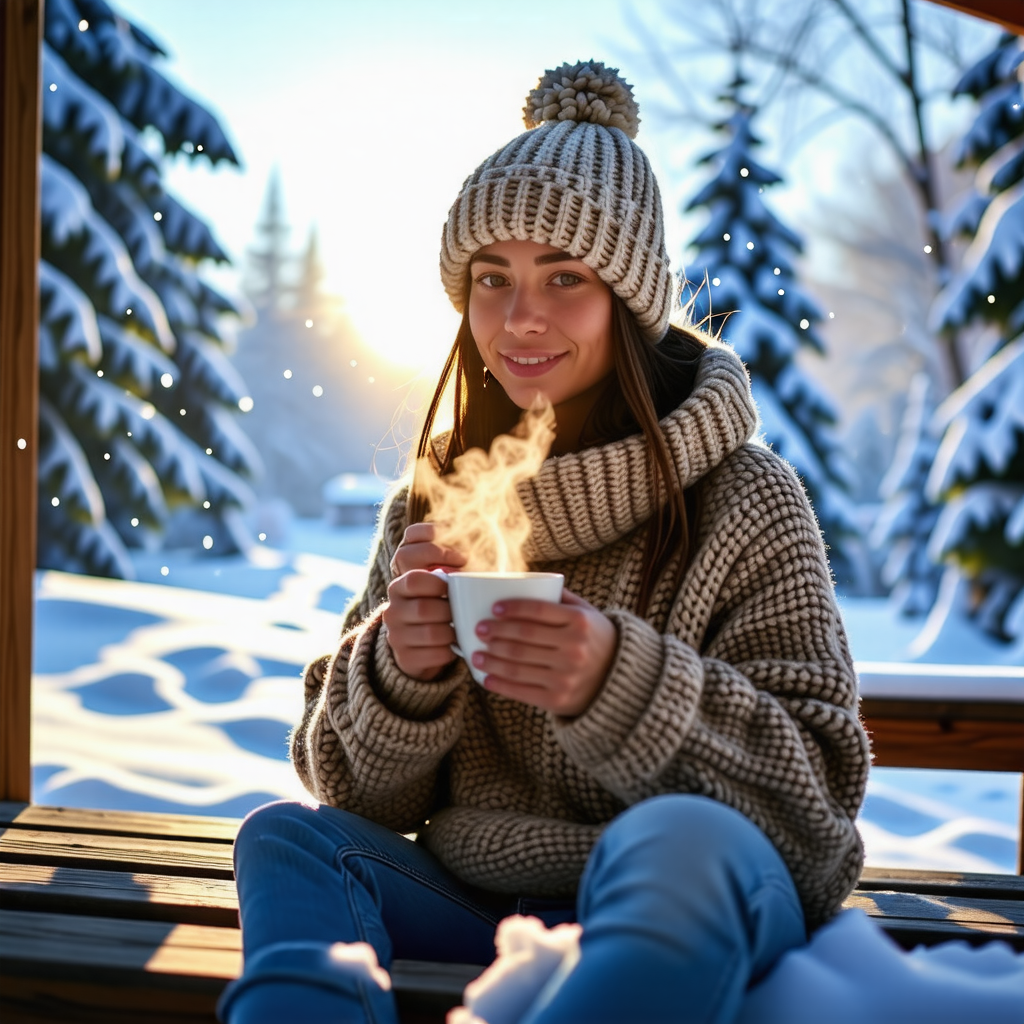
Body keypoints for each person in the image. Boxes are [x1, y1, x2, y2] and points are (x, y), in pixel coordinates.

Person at [218, 61, 870, 1024]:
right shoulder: (435, 506)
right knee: (287, 839)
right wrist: (400, 674)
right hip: (476, 899)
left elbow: (815, 808)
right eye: (493, 279)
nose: (520, 317)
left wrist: (617, 681)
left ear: (628, 300)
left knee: (681, 840)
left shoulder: (743, 499)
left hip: (687, 898)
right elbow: (354, 792)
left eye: (564, 278)